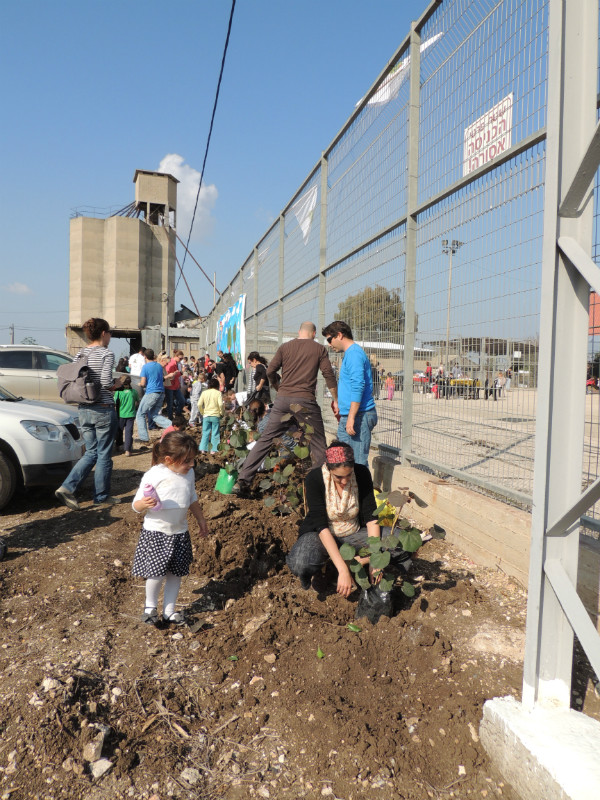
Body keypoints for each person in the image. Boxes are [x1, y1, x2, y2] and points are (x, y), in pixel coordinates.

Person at [232, 321, 338, 495]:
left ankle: (243, 481)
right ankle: (322, 488)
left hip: (282, 401)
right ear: (314, 334)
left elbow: (270, 371)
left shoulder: (285, 347)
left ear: (299, 332)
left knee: (265, 440)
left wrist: (278, 387)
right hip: (305, 402)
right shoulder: (319, 349)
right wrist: (336, 399)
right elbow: (328, 374)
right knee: (318, 443)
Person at [132, 432, 209, 626]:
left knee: (176, 574)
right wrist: (144, 503)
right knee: (156, 573)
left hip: (180, 533)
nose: (191, 465)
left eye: (193, 460)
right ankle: (150, 607)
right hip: (157, 532)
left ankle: (169, 611)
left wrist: (201, 520)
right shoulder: (155, 475)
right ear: (169, 460)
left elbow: (192, 497)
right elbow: (135, 506)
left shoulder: (188, 473)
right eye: (187, 461)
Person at [286, 441, 382, 595]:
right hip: (322, 535)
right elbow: (321, 526)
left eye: (349, 475)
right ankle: (334, 568)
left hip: (353, 532)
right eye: (339, 477)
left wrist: (375, 557)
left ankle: (356, 562)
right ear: (328, 468)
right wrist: (343, 570)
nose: (345, 481)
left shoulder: (362, 473)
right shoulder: (314, 479)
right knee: (300, 562)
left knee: (397, 542)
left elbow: (371, 517)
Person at [55, 317, 122, 510]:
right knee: (103, 455)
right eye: (109, 333)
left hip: (84, 408)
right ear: (103, 334)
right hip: (103, 408)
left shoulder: (80, 354)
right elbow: (106, 381)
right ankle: (101, 496)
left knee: (91, 452)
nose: (110, 337)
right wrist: (117, 385)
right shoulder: (106, 354)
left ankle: (67, 487)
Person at [322, 320, 377, 466]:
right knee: (342, 460)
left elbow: (358, 386)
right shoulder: (350, 354)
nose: (329, 344)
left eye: (329, 339)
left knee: (357, 463)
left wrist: (352, 416)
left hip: (360, 415)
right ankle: (349, 488)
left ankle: (362, 489)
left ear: (339, 335)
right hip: (352, 415)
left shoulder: (354, 354)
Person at [135, 349, 172, 443]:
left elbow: (143, 383)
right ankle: (172, 426)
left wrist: (139, 384)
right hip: (161, 392)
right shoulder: (159, 366)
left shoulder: (145, 367)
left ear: (145, 357)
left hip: (151, 392)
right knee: (154, 414)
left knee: (140, 414)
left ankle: (144, 438)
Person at [114, 376, 139, 456]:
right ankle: (127, 450)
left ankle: (118, 446)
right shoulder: (134, 392)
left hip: (120, 415)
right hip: (131, 415)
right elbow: (136, 402)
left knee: (119, 431)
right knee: (129, 432)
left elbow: (115, 403)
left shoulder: (118, 392)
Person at [198, 377, 224, 453]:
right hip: (215, 415)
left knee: (205, 432)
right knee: (215, 433)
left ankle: (203, 448)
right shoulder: (218, 393)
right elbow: (221, 405)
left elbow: (199, 404)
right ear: (217, 386)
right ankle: (213, 450)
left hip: (206, 415)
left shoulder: (204, 393)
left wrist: (202, 412)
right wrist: (221, 413)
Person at [165, 350, 185, 419]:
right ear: (176, 356)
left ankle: (177, 415)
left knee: (182, 401)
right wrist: (179, 373)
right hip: (170, 386)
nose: (181, 360)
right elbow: (167, 375)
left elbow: (175, 375)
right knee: (170, 404)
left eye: (182, 358)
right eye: (180, 358)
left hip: (175, 386)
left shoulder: (176, 363)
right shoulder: (171, 364)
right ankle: (171, 418)